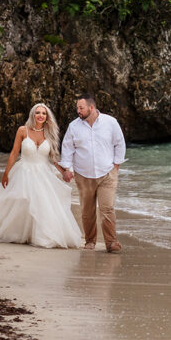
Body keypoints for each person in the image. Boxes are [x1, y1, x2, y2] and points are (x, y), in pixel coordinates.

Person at [0, 103, 82, 248]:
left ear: (47, 117)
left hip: (43, 174)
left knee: (42, 204)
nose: (40, 115)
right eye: (38, 113)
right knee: (22, 201)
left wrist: (64, 172)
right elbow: (14, 153)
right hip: (24, 171)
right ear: (33, 115)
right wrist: (6, 173)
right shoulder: (23, 130)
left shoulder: (49, 133)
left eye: (43, 113)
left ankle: (37, 235)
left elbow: (54, 158)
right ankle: (17, 233)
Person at [59, 94, 126, 253]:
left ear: (91, 108)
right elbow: (67, 148)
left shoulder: (110, 122)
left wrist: (116, 164)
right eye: (77, 108)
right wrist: (67, 169)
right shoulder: (73, 126)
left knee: (107, 208)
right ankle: (90, 241)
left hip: (107, 174)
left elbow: (119, 143)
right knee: (87, 211)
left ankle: (111, 243)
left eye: (81, 108)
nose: (78, 111)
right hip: (83, 175)